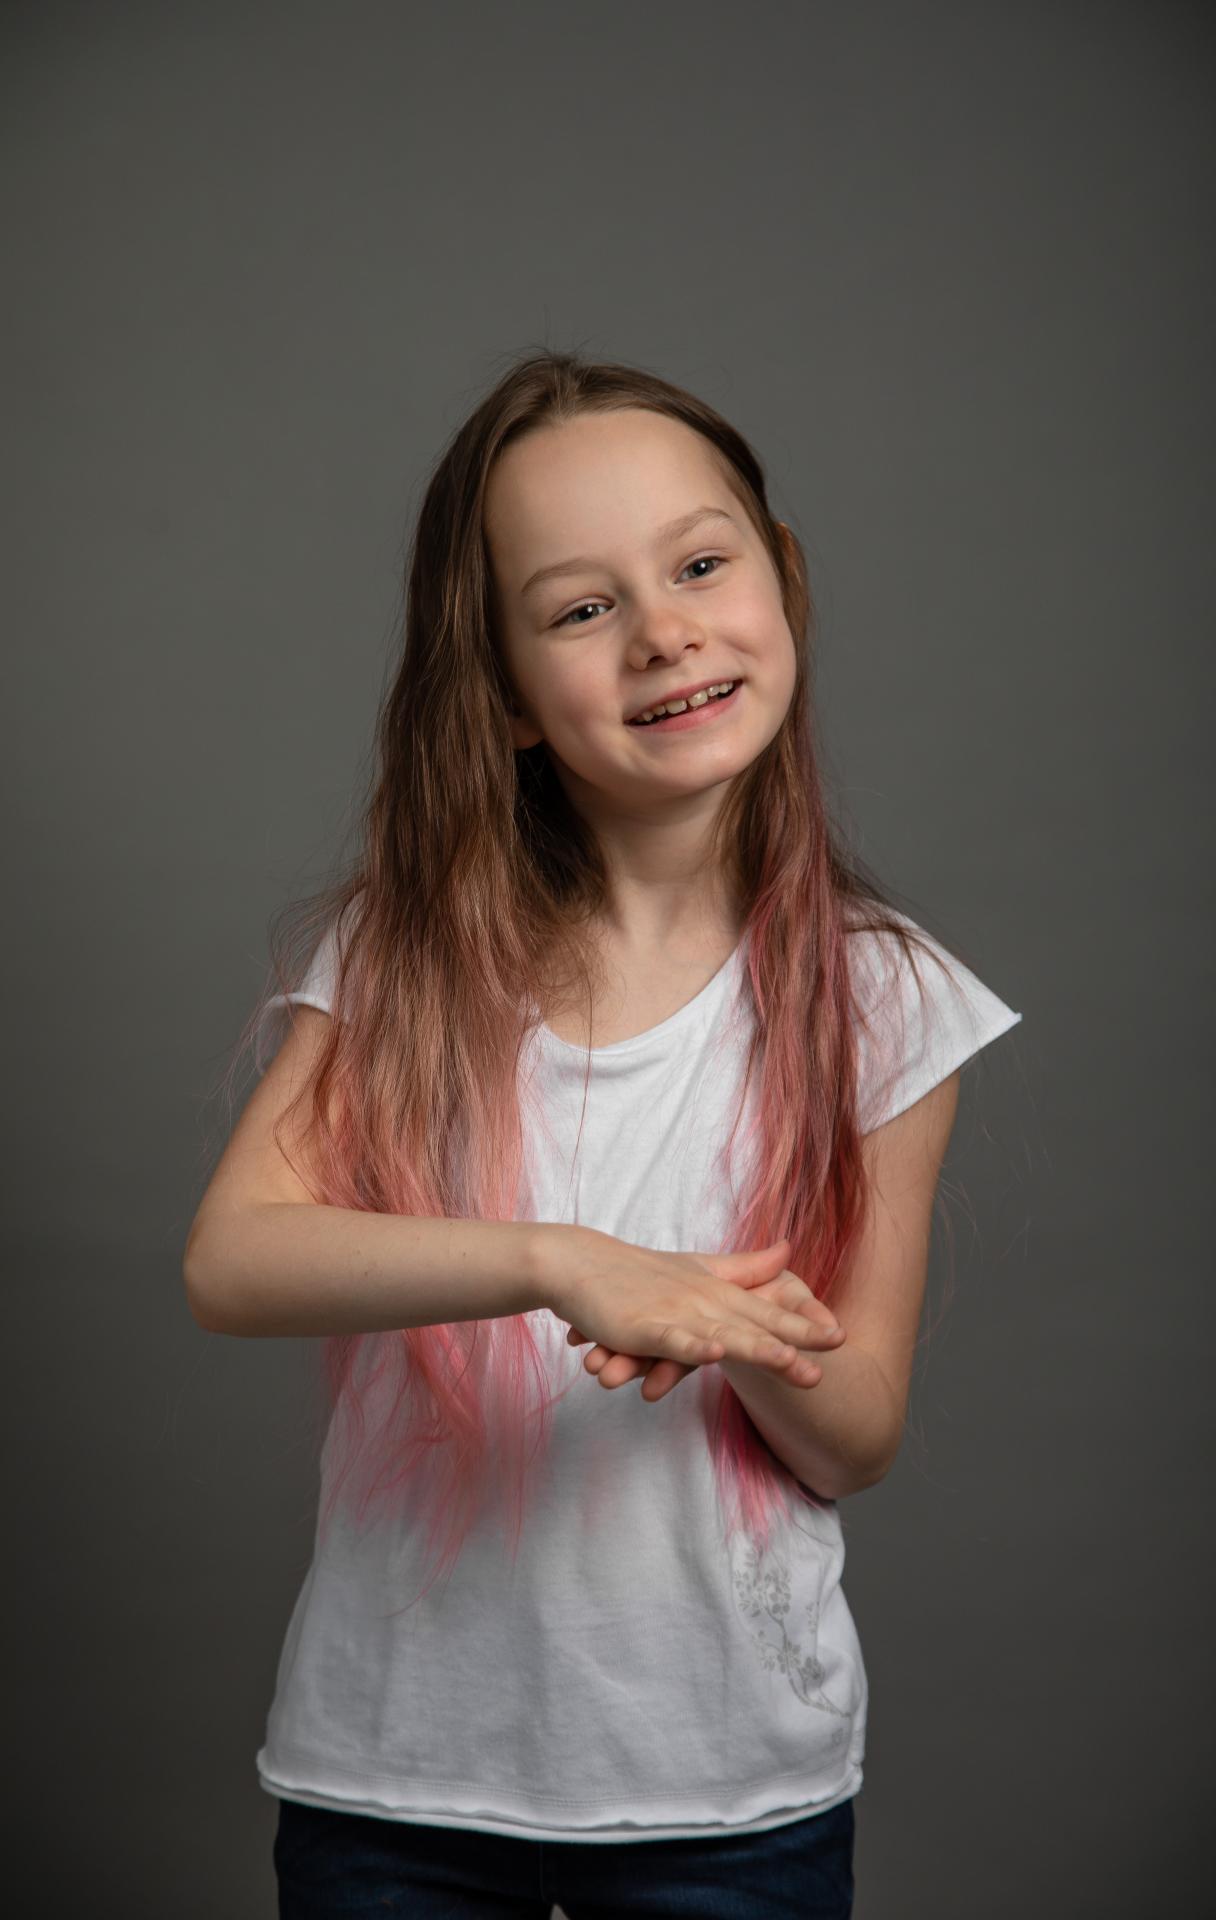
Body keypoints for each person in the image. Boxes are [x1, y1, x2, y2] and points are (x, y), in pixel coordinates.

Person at [185, 350, 1023, 1920]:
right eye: (582, 608)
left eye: (701, 566)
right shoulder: (404, 957)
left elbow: (856, 1437)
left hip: (733, 1801)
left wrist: (731, 1330)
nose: (665, 632)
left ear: (782, 583)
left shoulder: (887, 995)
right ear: (504, 694)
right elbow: (232, 1261)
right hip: (397, 1788)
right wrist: (565, 1263)